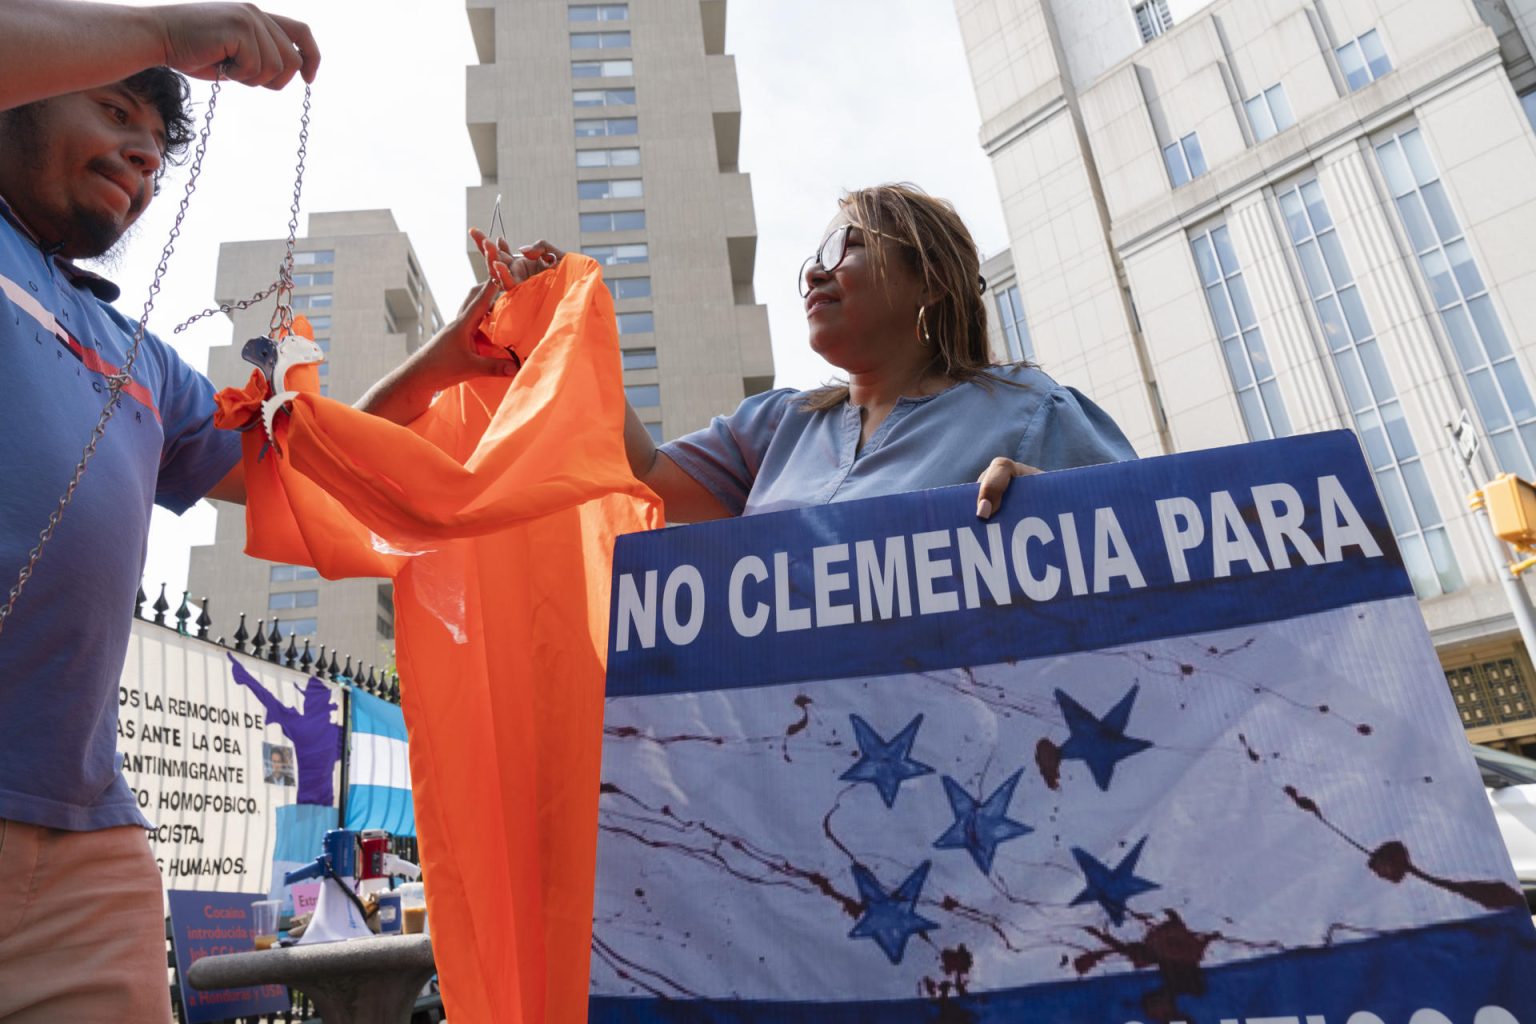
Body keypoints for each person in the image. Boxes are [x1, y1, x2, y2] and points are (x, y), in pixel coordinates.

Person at [0, 4, 518, 1019]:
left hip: (87, 842)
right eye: (112, 112)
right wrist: (163, 34)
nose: (139, 158)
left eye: (156, 158)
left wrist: (447, 359)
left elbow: (299, 467)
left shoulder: (138, 355)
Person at [507, 183, 1135, 522]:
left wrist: (1061, 509)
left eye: (847, 250)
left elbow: (1158, 547)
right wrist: (565, 322)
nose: (815, 274)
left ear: (931, 279)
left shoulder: (1031, 410)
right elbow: (643, 474)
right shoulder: (776, 425)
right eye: (813, 259)